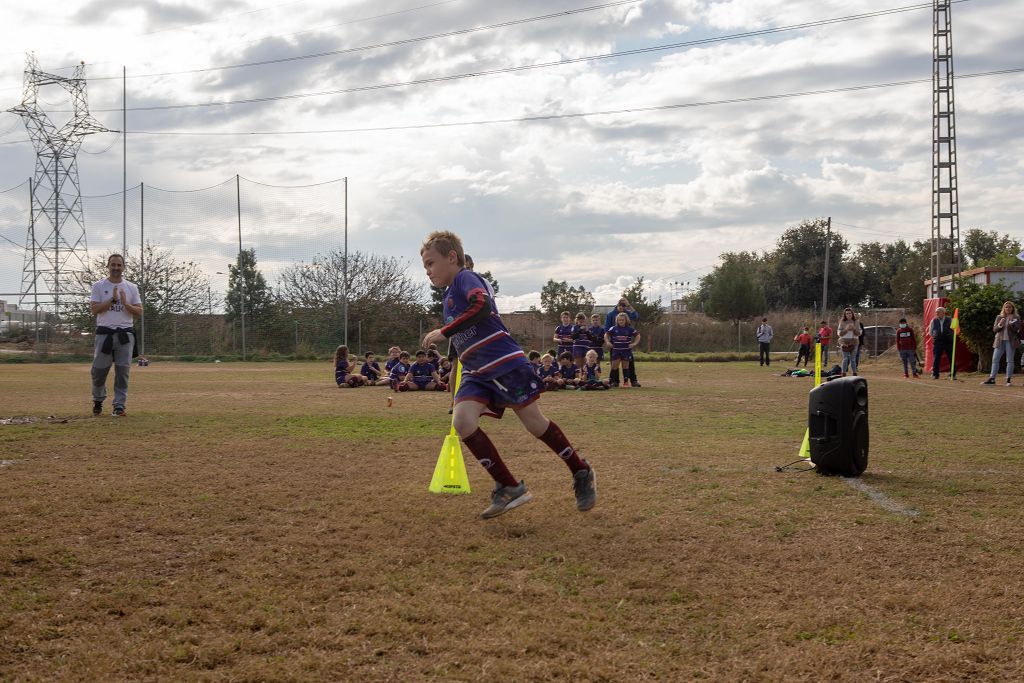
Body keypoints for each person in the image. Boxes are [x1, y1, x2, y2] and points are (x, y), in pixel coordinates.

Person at [420, 230, 595, 518]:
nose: (428, 271)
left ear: (452, 257)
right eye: (425, 266)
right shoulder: (450, 293)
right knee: (463, 422)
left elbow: (482, 306)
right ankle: (509, 486)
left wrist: (444, 331)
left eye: (431, 263)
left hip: (504, 363)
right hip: (476, 371)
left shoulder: (466, 278)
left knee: (534, 424)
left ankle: (581, 470)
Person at [90, 254, 143, 416]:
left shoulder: (131, 287)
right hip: (104, 334)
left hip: (124, 335)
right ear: (108, 266)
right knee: (98, 371)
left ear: (123, 267)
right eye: (113, 265)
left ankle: (119, 405)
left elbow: (139, 312)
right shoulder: (99, 286)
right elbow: (94, 310)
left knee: (122, 372)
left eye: (119, 265)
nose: (116, 268)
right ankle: (98, 399)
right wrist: (111, 301)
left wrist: (126, 303)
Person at [982, 301, 1021, 386]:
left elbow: (1017, 330)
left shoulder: (1016, 317)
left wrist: (1011, 324)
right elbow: (995, 329)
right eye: (1006, 307)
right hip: (1000, 341)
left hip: (1010, 341)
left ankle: (1008, 380)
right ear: (1004, 308)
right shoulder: (999, 317)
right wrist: (1000, 325)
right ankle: (992, 379)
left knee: (1010, 360)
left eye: (1010, 307)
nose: (1008, 308)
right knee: (995, 359)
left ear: (1012, 308)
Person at [604, 299, 641, 387]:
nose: (622, 307)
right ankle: (614, 381)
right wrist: (608, 341)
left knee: (629, 364)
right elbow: (606, 329)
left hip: (626, 346)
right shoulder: (611, 314)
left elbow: (636, 316)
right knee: (614, 364)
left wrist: (629, 305)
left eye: (624, 306)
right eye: (620, 305)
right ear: (617, 305)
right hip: (615, 344)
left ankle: (633, 380)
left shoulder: (627, 313)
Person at [929, 306, 956, 379]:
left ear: (943, 313)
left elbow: (955, 330)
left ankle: (953, 374)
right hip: (938, 342)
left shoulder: (950, 320)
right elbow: (930, 332)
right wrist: (936, 336)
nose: (936, 313)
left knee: (951, 358)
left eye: (938, 312)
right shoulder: (933, 321)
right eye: (936, 312)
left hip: (948, 342)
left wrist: (950, 335)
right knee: (936, 358)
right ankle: (935, 374)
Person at [837, 307, 859, 377]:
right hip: (844, 341)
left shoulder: (856, 322)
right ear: (845, 315)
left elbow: (859, 333)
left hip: (854, 341)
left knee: (853, 359)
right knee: (845, 358)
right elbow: (839, 333)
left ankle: (854, 374)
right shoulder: (842, 322)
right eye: (847, 313)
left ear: (852, 314)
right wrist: (846, 329)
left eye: (850, 313)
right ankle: (843, 373)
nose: (848, 314)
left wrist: (854, 329)